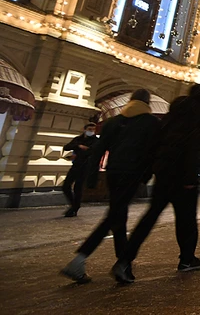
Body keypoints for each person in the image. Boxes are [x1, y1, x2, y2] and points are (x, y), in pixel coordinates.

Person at [111, 84, 200, 284]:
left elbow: (156, 143)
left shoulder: (172, 114)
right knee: (187, 221)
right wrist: (191, 178)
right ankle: (186, 259)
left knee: (149, 218)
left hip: (164, 174)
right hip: (183, 178)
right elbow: (195, 147)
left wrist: (150, 171)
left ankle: (124, 260)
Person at [60, 89, 159, 284]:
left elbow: (98, 150)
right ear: (147, 103)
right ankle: (79, 259)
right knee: (113, 216)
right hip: (132, 175)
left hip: (113, 173)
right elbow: (153, 152)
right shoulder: (151, 123)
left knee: (118, 217)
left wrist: (92, 177)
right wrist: (145, 177)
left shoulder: (114, 122)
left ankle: (124, 266)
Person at [61, 122, 98, 217]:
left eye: (93, 130)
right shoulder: (78, 139)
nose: (92, 131)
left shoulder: (96, 141)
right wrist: (79, 146)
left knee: (78, 187)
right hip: (76, 165)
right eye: (90, 129)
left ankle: (74, 208)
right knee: (65, 186)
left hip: (86, 167)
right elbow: (66, 147)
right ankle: (75, 205)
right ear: (85, 129)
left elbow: (92, 151)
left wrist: (82, 150)